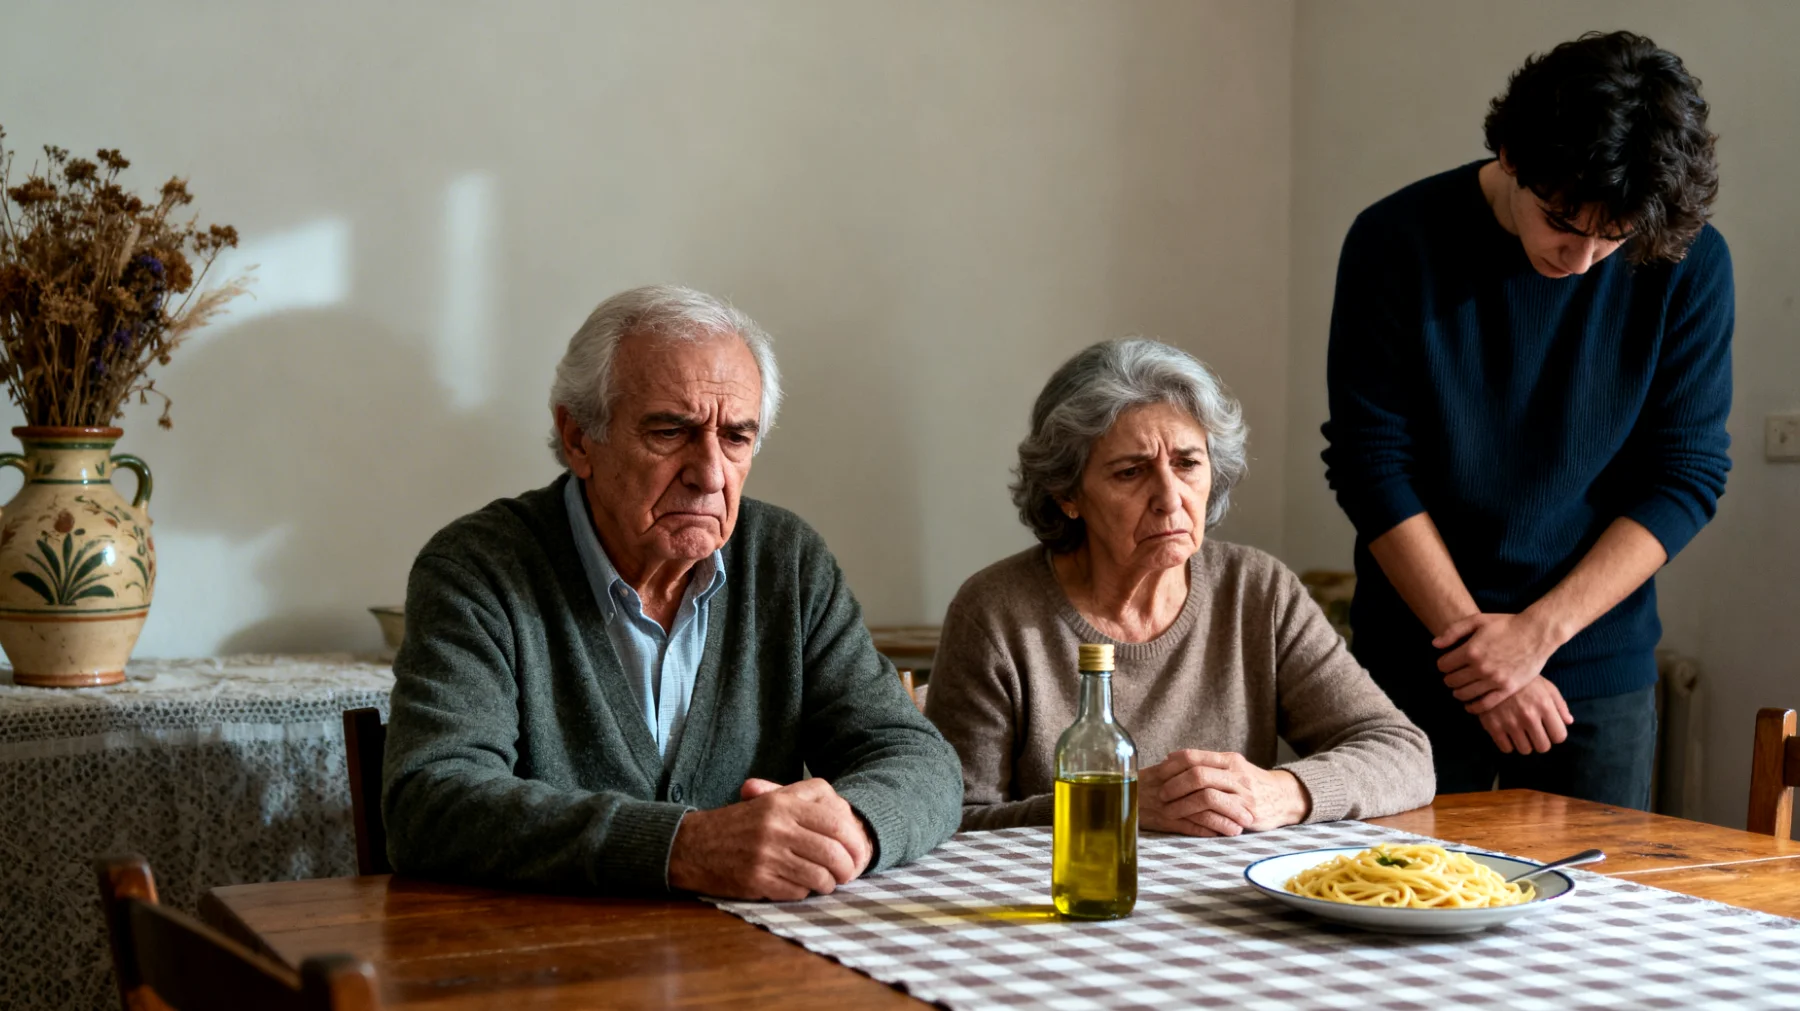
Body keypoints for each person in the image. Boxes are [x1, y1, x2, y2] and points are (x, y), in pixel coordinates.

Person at [383, 284, 963, 899]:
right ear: (578, 438)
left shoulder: (786, 561)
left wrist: (853, 828)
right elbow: (432, 801)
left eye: (736, 437)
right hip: (547, 965)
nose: (710, 473)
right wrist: (682, 847)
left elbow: (918, 759)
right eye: (670, 431)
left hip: (755, 961)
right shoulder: (480, 567)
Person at [1321, 31, 1732, 810]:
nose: (1581, 262)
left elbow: (1685, 474)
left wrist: (1536, 637)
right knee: (1396, 903)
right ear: (1511, 151)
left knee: (1595, 922)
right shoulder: (1393, 240)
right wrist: (1479, 652)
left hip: (1592, 665)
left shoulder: (1689, 262)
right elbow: (1371, 462)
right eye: (1563, 224)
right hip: (1421, 654)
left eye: (1614, 240)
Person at [925, 339, 1434, 834]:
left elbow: (1403, 754)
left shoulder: (1257, 591)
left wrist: (1283, 792)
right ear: (1066, 494)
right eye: (1131, 472)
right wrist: (1111, 805)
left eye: (1188, 464)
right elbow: (954, 819)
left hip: (1231, 902)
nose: (1171, 498)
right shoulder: (995, 612)